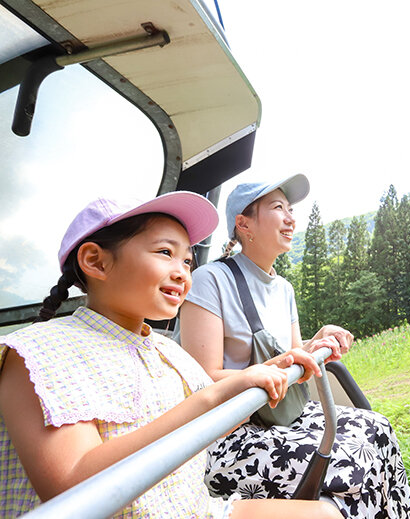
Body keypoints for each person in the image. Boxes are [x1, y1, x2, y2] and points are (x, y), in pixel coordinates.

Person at [0, 192, 342, 519]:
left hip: (194, 508)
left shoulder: (165, 349)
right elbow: (72, 487)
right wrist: (212, 398)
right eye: (165, 252)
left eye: (187, 260)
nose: (182, 272)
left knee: (325, 514)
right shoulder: (41, 353)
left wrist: (276, 367)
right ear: (96, 261)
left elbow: (224, 416)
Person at [178, 175, 410, 518]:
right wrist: (277, 366)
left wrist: (315, 343)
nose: (291, 217)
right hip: (233, 432)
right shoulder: (211, 280)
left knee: (378, 431)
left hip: (286, 414)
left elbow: (291, 360)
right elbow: (201, 381)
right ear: (244, 224)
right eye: (278, 208)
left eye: (291, 209)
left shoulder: (283, 290)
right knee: (351, 465)